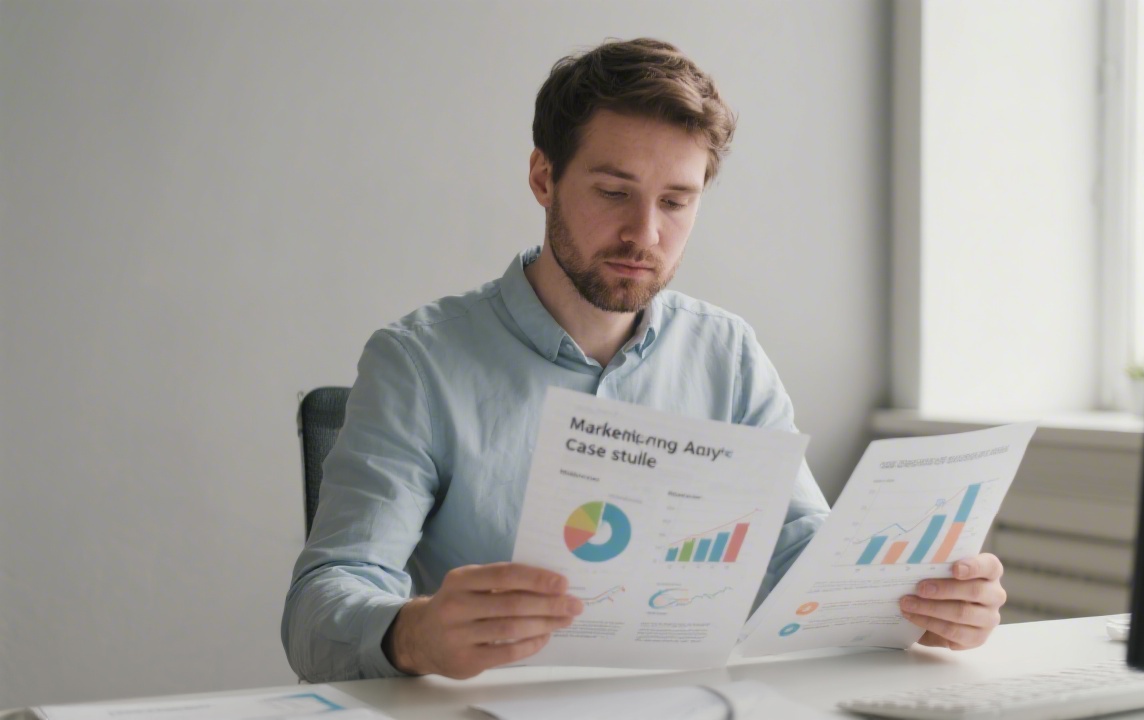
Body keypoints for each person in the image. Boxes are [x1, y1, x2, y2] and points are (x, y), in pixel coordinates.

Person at [282, 37, 1007, 683]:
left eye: (676, 202)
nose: (645, 234)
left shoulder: (728, 353)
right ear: (543, 178)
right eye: (613, 192)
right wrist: (414, 633)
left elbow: (798, 552)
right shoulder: (418, 362)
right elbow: (323, 602)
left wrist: (915, 598)